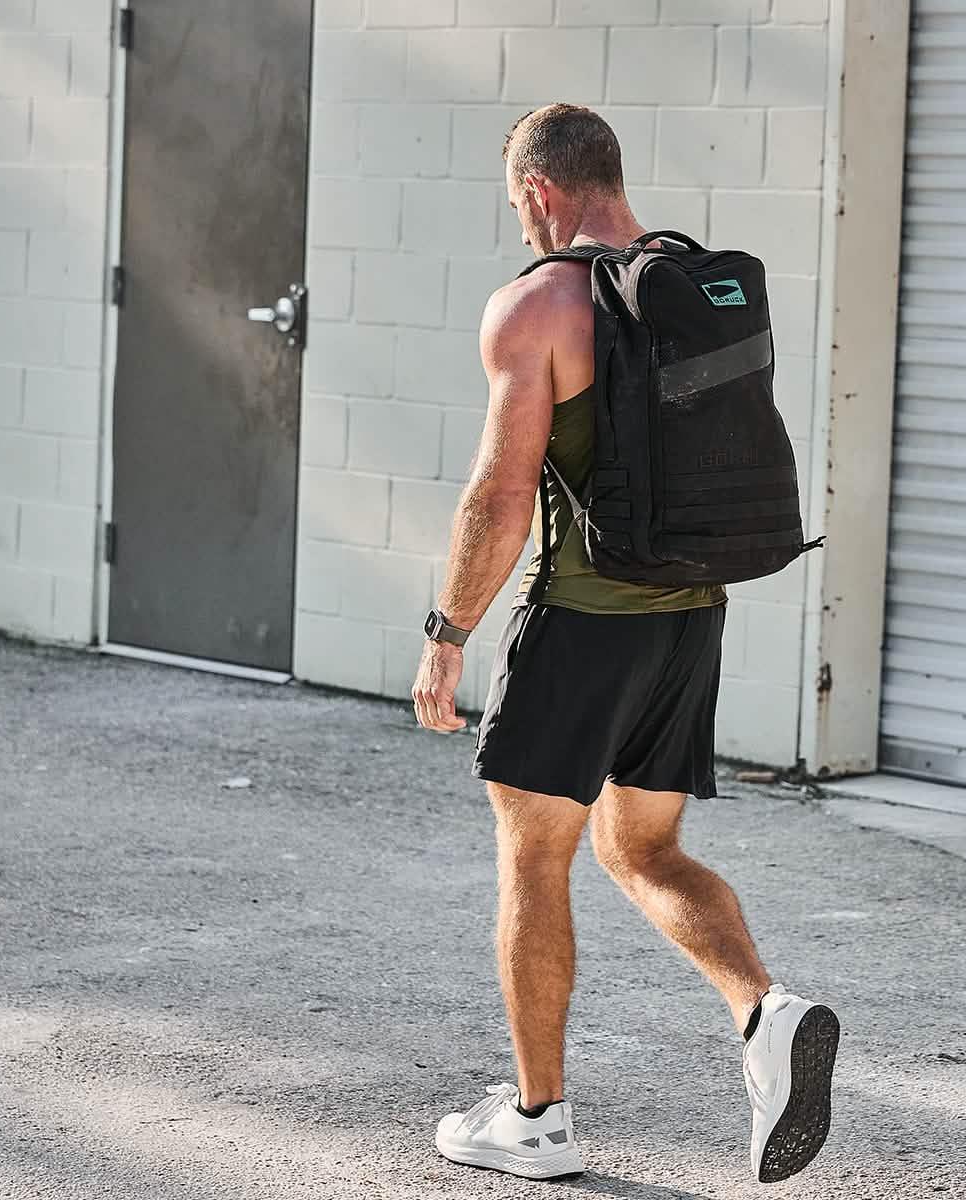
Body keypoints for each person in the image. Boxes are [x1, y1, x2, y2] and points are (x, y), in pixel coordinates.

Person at [411, 103, 839, 1185]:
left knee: (534, 856)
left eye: (519, 205)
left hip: (582, 626)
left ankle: (536, 1119)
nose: (522, 225)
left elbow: (500, 496)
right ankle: (766, 1013)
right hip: (691, 616)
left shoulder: (539, 304)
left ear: (542, 191)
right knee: (642, 851)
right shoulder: (690, 287)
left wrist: (448, 631)